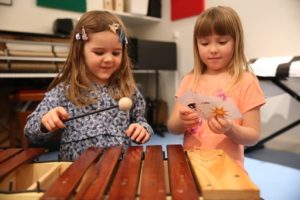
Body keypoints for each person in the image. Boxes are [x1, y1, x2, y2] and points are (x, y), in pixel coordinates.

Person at [25, 10, 153, 160]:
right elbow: (31, 134)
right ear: (80, 52)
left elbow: (141, 121)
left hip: (118, 167)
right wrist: (44, 123)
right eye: (99, 53)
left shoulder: (128, 90)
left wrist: (142, 130)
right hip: (76, 170)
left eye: (116, 53)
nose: (108, 59)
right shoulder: (64, 91)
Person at [167, 6, 265, 168]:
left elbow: (253, 136)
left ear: (236, 42)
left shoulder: (246, 81)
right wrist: (182, 121)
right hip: (190, 165)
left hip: (228, 169)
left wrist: (230, 128)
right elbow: (172, 127)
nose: (213, 49)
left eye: (222, 42)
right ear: (196, 45)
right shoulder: (190, 80)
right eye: (204, 43)